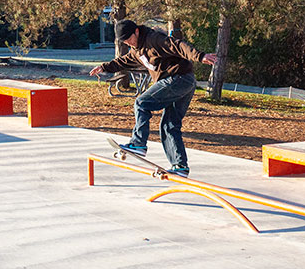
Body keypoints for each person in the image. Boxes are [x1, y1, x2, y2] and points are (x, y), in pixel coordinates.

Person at [90, 19, 217, 177]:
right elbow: (124, 61)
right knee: (169, 125)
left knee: (141, 103)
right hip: (185, 82)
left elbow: (177, 45)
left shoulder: (153, 39)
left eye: (130, 39)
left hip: (178, 79)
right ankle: (180, 166)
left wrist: (199, 56)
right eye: (125, 42)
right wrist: (104, 67)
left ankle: (138, 143)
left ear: (137, 31)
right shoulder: (136, 50)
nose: (129, 43)